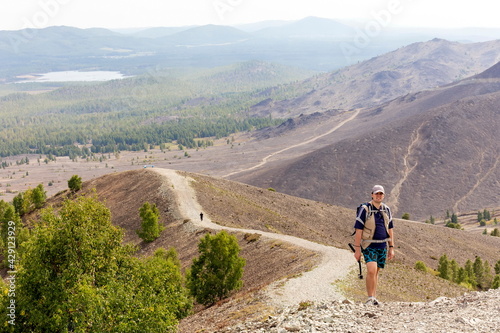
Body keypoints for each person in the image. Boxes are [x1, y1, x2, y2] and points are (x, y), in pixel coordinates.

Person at [353, 185, 395, 305]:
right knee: (371, 270)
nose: (378, 196)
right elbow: (358, 230)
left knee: (376, 271)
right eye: (376, 193)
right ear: (372, 194)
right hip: (369, 245)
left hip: (382, 245)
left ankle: (374, 297)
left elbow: (390, 229)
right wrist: (357, 250)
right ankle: (370, 297)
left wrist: (391, 247)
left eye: (381, 194)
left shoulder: (386, 209)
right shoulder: (365, 209)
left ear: (384, 195)